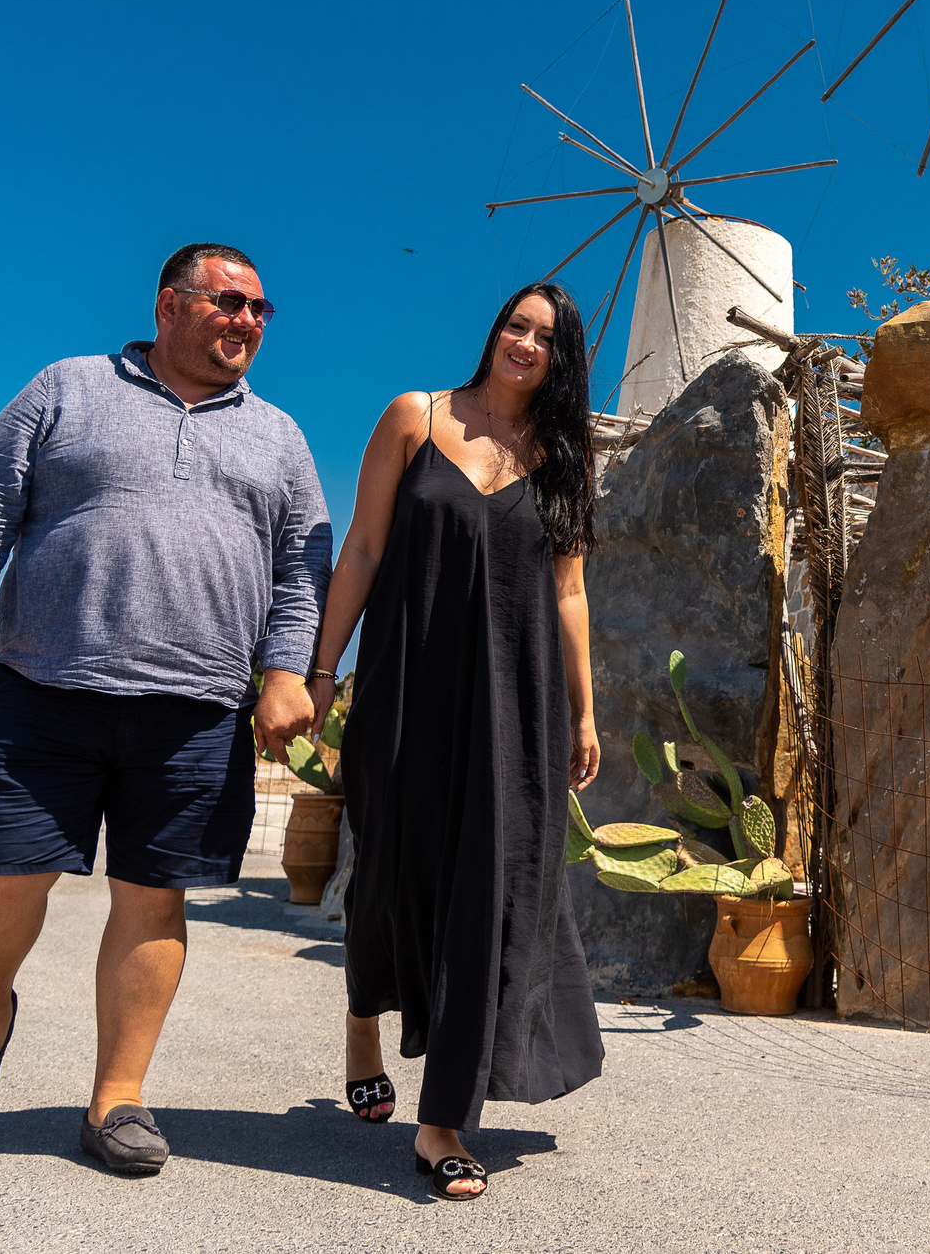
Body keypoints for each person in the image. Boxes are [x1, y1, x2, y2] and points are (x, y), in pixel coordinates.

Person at [0, 244, 332, 1177]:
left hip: (198, 709)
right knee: (3, 877)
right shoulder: (69, 388)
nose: (247, 320)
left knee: (153, 898)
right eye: (228, 302)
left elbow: (302, 569)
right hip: (50, 688)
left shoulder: (280, 437)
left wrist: (286, 671)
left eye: (261, 309)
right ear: (171, 305)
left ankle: (117, 1099)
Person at [304, 281, 605, 1203]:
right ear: (492, 330)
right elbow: (360, 547)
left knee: (491, 890)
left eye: (545, 336)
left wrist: (585, 713)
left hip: (516, 703)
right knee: (392, 869)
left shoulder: (559, 457)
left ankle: (443, 1122)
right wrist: (322, 672)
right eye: (515, 324)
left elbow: (567, 593)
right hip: (405, 688)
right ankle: (364, 1016)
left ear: (563, 359)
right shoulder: (415, 414)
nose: (524, 342)